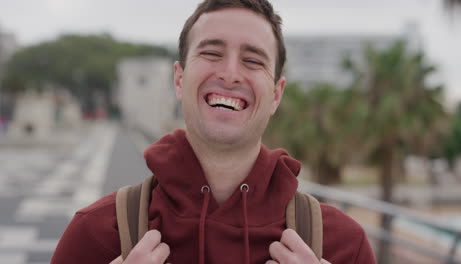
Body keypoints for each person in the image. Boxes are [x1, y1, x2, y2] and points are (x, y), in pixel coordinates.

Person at [51, 0, 376, 263]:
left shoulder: (342, 246)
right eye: (211, 53)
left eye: (252, 60)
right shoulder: (95, 234)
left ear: (276, 94)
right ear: (179, 79)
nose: (230, 73)